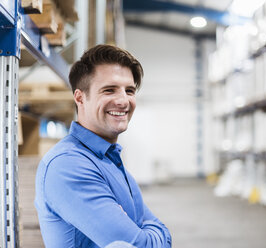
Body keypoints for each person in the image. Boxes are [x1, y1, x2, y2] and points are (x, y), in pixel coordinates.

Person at [34, 44, 172, 248]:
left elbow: (165, 235)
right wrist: (146, 229)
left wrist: (152, 231)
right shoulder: (68, 165)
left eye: (130, 91)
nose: (123, 101)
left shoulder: (109, 159)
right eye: (109, 90)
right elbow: (141, 244)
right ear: (80, 97)